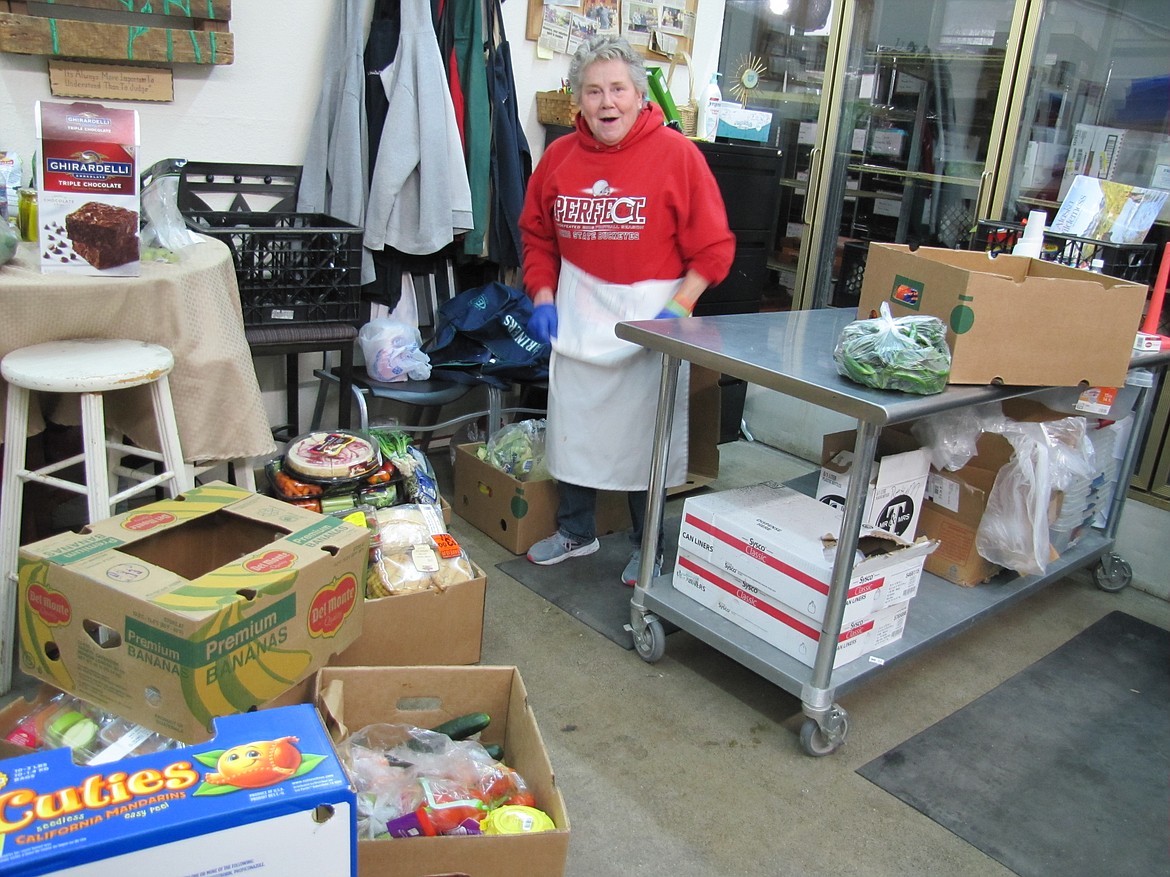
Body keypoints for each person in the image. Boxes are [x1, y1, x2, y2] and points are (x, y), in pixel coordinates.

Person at [519, 35, 735, 586]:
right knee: (573, 429)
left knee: (646, 441)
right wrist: (542, 297)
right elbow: (537, 237)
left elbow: (714, 247)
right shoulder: (559, 158)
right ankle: (576, 531)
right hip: (576, 313)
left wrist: (677, 307)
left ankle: (648, 547)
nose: (606, 102)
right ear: (578, 100)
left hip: (647, 320)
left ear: (641, 95)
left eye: (618, 88)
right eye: (594, 91)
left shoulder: (678, 155)